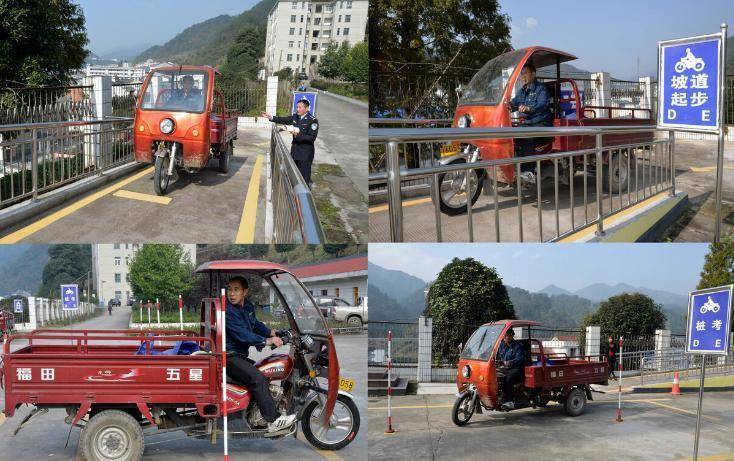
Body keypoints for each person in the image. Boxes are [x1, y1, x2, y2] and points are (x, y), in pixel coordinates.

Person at [224, 276, 297, 433]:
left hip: (239, 355)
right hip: (228, 356)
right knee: (257, 378)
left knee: (263, 370)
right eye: (230, 289)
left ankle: (254, 413)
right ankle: (274, 420)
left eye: (236, 289)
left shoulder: (248, 306)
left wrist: (273, 332)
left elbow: (255, 325)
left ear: (245, 291)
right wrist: (268, 341)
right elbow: (242, 334)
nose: (231, 293)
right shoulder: (228, 311)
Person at [509, 63, 553, 183]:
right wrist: (506, 105)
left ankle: (528, 172)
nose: (523, 76)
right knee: (510, 132)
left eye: (526, 73)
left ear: (533, 74)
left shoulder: (541, 88)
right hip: (528, 124)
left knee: (526, 134)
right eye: (522, 74)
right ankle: (513, 166)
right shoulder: (522, 91)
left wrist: (529, 108)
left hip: (542, 124)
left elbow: (543, 104)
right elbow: (513, 104)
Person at [260, 99, 319, 186]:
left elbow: (311, 138)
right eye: (297, 107)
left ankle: (303, 197)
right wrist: (271, 117)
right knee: (294, 175)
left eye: (300, 107)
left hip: (305, 154)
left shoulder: (312, 120)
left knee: (303, 177)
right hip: (295, 151)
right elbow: (283, 119)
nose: (297, 109)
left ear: (306, 109)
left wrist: (297, 135)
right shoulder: (295, 117)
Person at [497, 329, 525, 409]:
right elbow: (495, 352)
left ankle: (509, 400)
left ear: (512, 335)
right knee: (495, 374)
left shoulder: (517, 346)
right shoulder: (502, 345)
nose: (504, 337)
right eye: (504, 336)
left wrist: (509, 362)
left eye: (506, 335)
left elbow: (520, 359)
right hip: (505, 368)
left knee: (508, 378)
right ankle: (499, 395)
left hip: (516, 368)